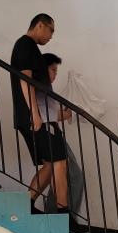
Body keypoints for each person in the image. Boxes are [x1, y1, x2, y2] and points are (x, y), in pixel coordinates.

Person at [10, 14, 70, 217]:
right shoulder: (25, 44)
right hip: (37, 118)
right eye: (51, 30)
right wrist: (35, 114)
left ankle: (27, 204)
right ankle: (63, 215)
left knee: (50, 164)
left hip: (39, 117)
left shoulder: (29, 47)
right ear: (40, 25)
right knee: (60, 162)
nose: (51, 36)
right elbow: (24, 80)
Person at [37, 53, 85, 216]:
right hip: (49, 134)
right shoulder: (38, 88)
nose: (55, 74)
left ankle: (57, 213)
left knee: (59, 174)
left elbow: (50, 114)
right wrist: (69, 113)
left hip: (52, 133)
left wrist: (66, 113)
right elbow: (46, 115)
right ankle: (59, 214)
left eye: (56, 71)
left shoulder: (44, 88)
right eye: (53, 70)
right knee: (72, 175)